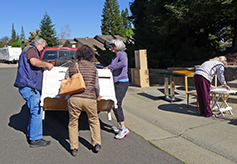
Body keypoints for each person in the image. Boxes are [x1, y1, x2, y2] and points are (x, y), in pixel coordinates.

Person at [14, 37, 54, 148]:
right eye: (43, 47)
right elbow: (33, 61)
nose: (43, 49)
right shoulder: (31, 49)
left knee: (34, 110)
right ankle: (35, 139)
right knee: (36, 110)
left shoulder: (28, 50)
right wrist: (47, 64)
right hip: (29, 86)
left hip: (28, 85)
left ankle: (32, 135)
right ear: (38, 44)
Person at [66, 45, 102, 156]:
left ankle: (74, 148)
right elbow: (96, 84)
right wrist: (98, 95)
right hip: (90, 98)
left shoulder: (73, 65)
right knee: (94, 120)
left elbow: (67, 80)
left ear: (78, 54)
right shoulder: (93, 67)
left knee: (73, 123)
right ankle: (96, 144)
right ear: (90, 55)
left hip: (75, 98)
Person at [104, 38, 130, 139]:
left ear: (118, 46)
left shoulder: (122, 54)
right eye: (111, 46)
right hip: (115, 82)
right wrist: (106, 67)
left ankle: (123, 129)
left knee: (117, 104)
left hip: (122, 83)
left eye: (113, 46)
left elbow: (123, 63)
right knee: (114, 103)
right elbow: (112, 65)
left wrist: (110, 67)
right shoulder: (114, 56)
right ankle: (120, 125)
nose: (112, 48)